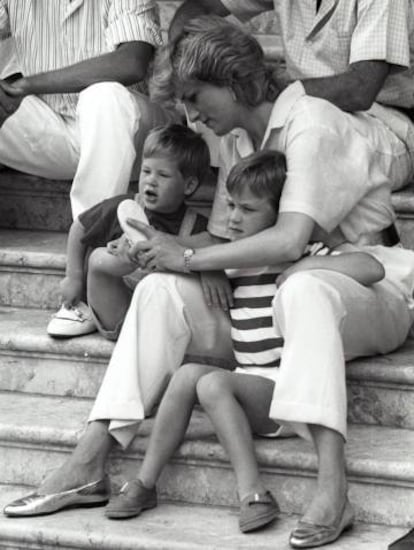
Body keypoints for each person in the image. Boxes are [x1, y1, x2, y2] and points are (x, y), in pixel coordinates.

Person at [5, 17, 414, 550]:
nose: (192, 114)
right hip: (267, 295)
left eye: (198, 97)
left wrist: (194, 255)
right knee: (156, 287)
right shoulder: (234, 137)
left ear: (238, 84)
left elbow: (290, 241)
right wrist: (178, 255)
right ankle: (92, 454)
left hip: (361, 283)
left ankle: (333, 490)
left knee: (301, 288)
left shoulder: (312, 121)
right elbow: (221, 239)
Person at [102, 150, 385, 539]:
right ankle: (145, 482)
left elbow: (373, 268)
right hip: (248, 387)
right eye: (230, 206)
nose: (233, 219)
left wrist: (301, 268)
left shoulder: (303, 252)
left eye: (247, 210)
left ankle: (253, 491)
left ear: (281, 214)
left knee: (212, 383)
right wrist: (192, 264)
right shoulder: (232, 260)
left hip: (286, 395)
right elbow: (173, 262)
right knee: (186, 376)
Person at [169, 0, 414, 194]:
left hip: (382, 125)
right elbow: (200, 6)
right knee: (237, 123)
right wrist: (179, 61)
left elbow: (360, 89)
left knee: (255, 116)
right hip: (298, 116)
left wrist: (268, 91)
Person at [0, 0, 175, 218]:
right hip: (53, 133)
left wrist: (28, 85)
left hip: (127, 135)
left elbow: (131, 63)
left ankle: (90, 235)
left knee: (104, 95)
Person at [47, 124, 210, 340]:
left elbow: (208, 256)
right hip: (118, 312)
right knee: (102, 258)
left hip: (160, 320)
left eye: (163, 175)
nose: (151, 180)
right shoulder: (123, 208)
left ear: (188, 186)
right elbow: (79, 227)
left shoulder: (196, 225)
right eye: (146, 171)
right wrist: (73, 277)